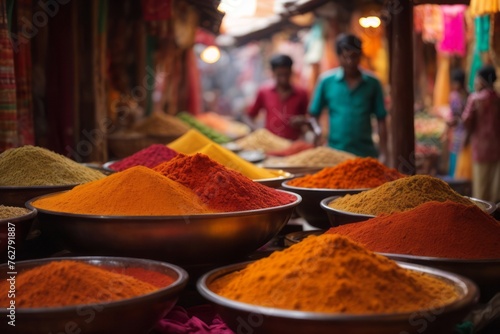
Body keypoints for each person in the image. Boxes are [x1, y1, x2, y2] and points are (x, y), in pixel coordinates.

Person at [308, 34, 388, 160]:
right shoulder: (326, 82)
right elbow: (313, 114)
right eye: (345, 57)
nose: (349, 62)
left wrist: (384, 152)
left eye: (354, 57)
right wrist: (318, 131)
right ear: (338, 57)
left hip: (366, 154)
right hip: (335, 153)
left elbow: (381, 119)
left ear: (360, 56)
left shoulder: (373, 83)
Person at [247, 54, 309, 140]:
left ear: (291, 71)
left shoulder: (301, 93)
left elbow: (309, 119)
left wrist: (302, 121)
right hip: (270, 143)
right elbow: (250, 115)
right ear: (273, 73)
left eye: (286, 74)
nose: (283, 78)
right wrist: (257, 132)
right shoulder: (264, 91)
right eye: (279, 75)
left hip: (293, 144)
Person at [462, 65, 500, 203]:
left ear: (482, 81)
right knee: (495, 188)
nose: (475, 82)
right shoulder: (498, 98)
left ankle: (484, 219)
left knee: (481, 189)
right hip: (497, 149)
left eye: (477, 79)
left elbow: (466, 120)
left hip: (480, 149)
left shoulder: (475, 99)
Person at [447, 68, 468, 177]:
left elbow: (454, 115)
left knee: (460, 153)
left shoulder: (456, 96)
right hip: (461, 130)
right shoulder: (467, 94)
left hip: (462, 130)